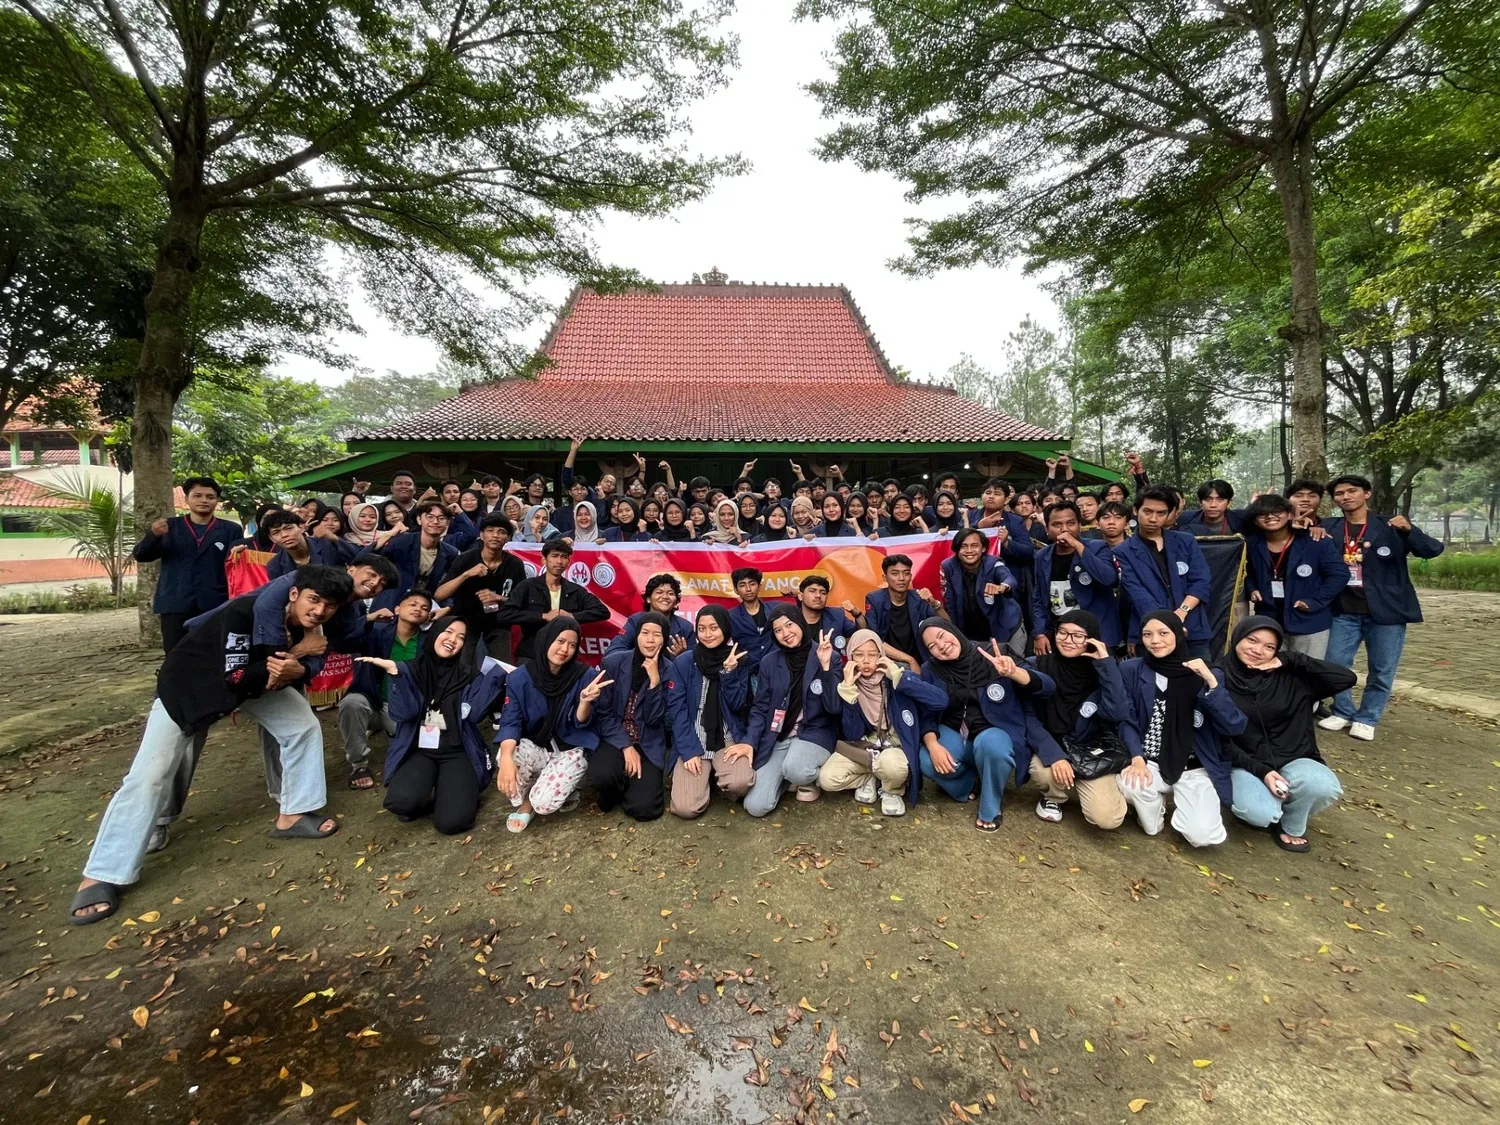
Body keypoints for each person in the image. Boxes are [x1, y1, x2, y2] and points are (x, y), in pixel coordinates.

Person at [69, 565, 350, 925]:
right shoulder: (243, 613)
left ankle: (293, 813)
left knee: (302, 727)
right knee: (151, 774)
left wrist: (300, 661)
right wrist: (297, 654)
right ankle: (103, 873)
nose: (319, 611)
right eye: (314, 600)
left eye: (329, 606)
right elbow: (234, 676)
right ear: (294, 594)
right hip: (190, 689)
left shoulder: (312, 625)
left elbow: (307, 665)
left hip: (250, 686)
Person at [1317, 474, 1444, 741]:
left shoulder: (1390, 526)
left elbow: (1432, 549)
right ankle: (1342, 711)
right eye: (1339, 494)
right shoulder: (1329, 526)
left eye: (1352, 491)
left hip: (1386, 610)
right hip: (1343, 609)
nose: (1346, 497)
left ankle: (1368, 717)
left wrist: (1410, 530)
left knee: (1382, 668)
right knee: (1335, 663)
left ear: (1367, 494)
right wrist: (1308, 525)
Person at [1217, 617, 1355, 851]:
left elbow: (1346, 678)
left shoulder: (1292, 676)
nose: (1258, 650)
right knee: (1258, 813)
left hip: (1295, 757)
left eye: (1269, 647)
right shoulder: (1218, 676)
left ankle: (1291, 823)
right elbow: (1217, 739)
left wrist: (1293, 659)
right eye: (1252, 640)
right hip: (1246, 763)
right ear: (1238, 637)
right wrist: (1262, 771)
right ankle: (1271, 806)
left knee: (1322, 786)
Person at [360, 618, 505, 834]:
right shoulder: (410, 669)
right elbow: (403, 713)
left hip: (458, 750)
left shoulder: (468, 674)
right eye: (448, 632)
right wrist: (395, 674)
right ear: (435, 632)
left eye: (461, 637)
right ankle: (431, 786)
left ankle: (454, 790)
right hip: (420, 750)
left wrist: (497, 677)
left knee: (452, 822)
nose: (453, 640)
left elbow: (474, 714)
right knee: (401, 803)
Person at [1117, 611, 1245, 847]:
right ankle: (1156, 811)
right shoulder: (1132, 670)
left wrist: (1211, 683)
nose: (1155, 641)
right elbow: (1127, 718)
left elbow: (1234, 725)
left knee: (1202, 836)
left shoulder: (1204, 672)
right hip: (1151, 760)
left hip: (1193, 765)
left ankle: (1187, 806)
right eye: (1147, 634)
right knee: (1129, 785)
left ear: (1179, 634)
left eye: (1163, 633)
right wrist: (1136, 757)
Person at [916, 619, 1054, 831]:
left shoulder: (994, 652)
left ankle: (991, 806)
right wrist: (933, 745)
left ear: (954, 630)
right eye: (932, 646)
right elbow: (926, 713)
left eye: (942, 636)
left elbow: (1047, 687)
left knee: (991, 745)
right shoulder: (931, 669)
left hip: (994, 733)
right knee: (926, 759)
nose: (941, 645)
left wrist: (1014, 672)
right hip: (956, 732)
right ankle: (970, 783)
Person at [495, 615, 603, 831]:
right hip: (538, 744)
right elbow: (510, 720)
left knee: (544, 804)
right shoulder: (520, 678)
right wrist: (506, 758)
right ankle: (528, 799)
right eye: (560, 641)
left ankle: (552, 792)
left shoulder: (584, 675)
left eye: (572, 645)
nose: (565, 649)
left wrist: (584, 702)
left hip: (570, 748)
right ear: (547, 639)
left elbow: (583, 723)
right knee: (506, 756)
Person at [1024, 610, 1131, 828]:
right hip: (1053, 745)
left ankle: (1101, 784)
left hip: (1090, 749)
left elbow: (1118, 713)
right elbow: (1028, 716)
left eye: (1078, 635)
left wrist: (1106, 663)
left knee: (1108, 819)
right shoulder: (1039, 665)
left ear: (1091, 639)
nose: (1068, 640)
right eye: (1063, 632)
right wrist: (1055, 756)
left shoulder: (1103, 671)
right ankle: (1054, 797)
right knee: (1042, 771)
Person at [818, 629, 941, 816]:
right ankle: (871, 778)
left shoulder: (896, 676)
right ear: (850, 657)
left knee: (894, 766)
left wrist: (901, 678)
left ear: (881, 656)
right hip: (866, 749)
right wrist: (849, 693)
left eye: (872, 654)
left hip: (894, 748)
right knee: (828, 779)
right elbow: (852, 734)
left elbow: (940, 701)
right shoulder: (849, 683)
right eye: (858, 655)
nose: (866, 661)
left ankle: (891, 790)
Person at [742, 605, 845, 814]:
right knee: (755, 806)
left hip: (814, 733)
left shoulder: (827, 655)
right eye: (778, 630)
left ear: (800, 622)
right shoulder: (769, 662)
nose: (786, 633)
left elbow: (834, 708)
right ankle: (785, 779)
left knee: (797, 769)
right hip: (779, 735)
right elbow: (760, 708)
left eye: (789, 625)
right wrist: (749, 742)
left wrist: (825, 668)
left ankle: (805, 778)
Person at [132, 476, 243, 653]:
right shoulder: (169, 527)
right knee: (175, 655)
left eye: (210, 497)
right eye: (197, 495)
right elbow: (141, 555)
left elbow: (237, 567)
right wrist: (152, 535)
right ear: (186, 499)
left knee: (214, 654)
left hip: (215, 602)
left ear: (217, 501)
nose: (204, 500)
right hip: (175, 601)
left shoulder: (231, 530)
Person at [667, 606, 755, 818]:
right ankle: (702, 779)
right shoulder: (684, 662)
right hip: (694, 738)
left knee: (740, 782)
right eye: (702, 628)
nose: (707, 634)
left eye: (714, 628)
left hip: (727, 738)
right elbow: (677, 711)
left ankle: (719, 776)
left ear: (725, 628)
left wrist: (729, 673)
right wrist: (688, 752)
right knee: (685, 809)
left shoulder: (739, 661)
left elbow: (738, 705)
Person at [340, 587, 432, 790]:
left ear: (427, 617)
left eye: (424, 608)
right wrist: (369, 618)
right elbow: (343, 642)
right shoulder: (377, 632)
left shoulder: (428, 642)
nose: (418, 609)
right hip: (372, 701)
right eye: (413, 604)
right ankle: (358, 765)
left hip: (404, 709)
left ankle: (393, 733)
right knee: (351, 703)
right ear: (397, 609)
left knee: (418, 752)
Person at [586, 611, 671, 821]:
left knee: (645, 809)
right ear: (637, 635)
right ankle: (615, 781)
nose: (650, 640)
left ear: (665, 638)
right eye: (645, 633)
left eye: (657, 635)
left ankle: (627, 783)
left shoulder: (670, 670)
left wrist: (654, 683)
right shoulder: (614, 663)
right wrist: (626, 747)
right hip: (616, 736)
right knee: (600, 775)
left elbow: (656, 720)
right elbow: (604, 714)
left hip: (648, 741)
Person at [1113, 486, 1214, 660]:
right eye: (1148, 511)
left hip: (1192, 626)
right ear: (1136, 510)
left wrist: (1181, 612)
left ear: (1170, 514)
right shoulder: (1122, 551)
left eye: (1161, 513)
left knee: (1202, 680)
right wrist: (1168, 625)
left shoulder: (1186, 541)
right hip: (1152, 631)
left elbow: (1201, 581)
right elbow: (1137, 593)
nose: (1153, 518)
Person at [1241, 495, 1347, 660]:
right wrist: (1252, 588)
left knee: (1307, 673)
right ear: (1255, 521)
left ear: (1289, 514)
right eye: (1263, 514)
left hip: (1308, 620)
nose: (1270, 517)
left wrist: (1315, 601)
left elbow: (1339, 575)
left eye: (1277, 512)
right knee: (1273, 672)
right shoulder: (1252, 544)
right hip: (1270, 619)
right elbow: (1246, 573)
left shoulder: (1316, 541)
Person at [495, 539, 609, 660]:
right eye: (554, 556)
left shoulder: (575, 590)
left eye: (564, 557)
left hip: (563, 655)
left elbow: (603, 611)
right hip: (532, 652)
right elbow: (504, 615)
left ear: (569, 561)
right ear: (544, 560)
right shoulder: (527, 586)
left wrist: (572, 617)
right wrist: (543, 616)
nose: (559, 561)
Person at [1030, 501, 1121, 652]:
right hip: (1062, 635)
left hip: (1097, 633)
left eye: (1071, 523)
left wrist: (1077, 546)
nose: (1065, 529)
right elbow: (1039, 598)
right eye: (1057, 524)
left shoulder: (1097, 547)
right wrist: (1040, 633)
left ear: (1080, 525)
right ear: (1047, 528)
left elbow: (1109, 579)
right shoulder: (1042, 556)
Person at [435, 514, 527, 661]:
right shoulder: (466, 558)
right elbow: (439, 594)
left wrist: (498, 598)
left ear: (508, 538)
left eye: (501, 532)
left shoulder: (515, 564)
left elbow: (522, 601)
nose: (495, 535)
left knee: (500, 667)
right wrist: (466, 575)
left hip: (499, 622)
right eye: (490, 530)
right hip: (465, 620)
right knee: (463, 665)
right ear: (481, 535)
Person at [940, 528, 1023, 654]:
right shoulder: (948, 566)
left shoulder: (993, 562)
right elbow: (950, 602)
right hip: (971, 631)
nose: (969, 551)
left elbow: (1009, 579)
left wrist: (1002, 587)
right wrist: (957, 634)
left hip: (1005, 625)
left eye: (974, 546)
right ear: (957, 549)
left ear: (983, 548)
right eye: (963, 546)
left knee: (1013, 665)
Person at [859, 554, 939, 670]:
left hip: (923, 660)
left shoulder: (918, 597)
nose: (901, 578)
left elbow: (947, 627)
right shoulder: (875, 599)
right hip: (888, 662)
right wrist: (909, 660)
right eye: (895, 573)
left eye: (906, 573)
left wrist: (934, 603)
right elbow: (874, 639)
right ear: (885, 577)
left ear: (910, 576)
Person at [377, 500, 460, 611]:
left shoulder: (451, 552)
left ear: (447, 523)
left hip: (423, 608)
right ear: (419, 519)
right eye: (430, 517)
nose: (435, 522)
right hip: (390, 604)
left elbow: (448, 585)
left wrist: (447, 606)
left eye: (441, 518)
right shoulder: (402, 541)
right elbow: (375, 563)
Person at [604, 574, 695, 657]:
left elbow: (694, 663)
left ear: (676, 601)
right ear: (648, 599)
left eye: (670, 593)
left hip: (671, 673)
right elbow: (613, 652)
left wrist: (681, 657)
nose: (665, 597)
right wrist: (639, 656)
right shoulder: (636, 621)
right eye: (659, 592)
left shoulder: (685, 627)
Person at [262, 508, 342, 577]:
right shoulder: (275, 566)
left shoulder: (327, 545)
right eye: (276, 532)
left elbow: (353, 556)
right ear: (271, 538)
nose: (284, 535)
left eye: (289, 528)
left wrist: (335, 539)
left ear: (301, 527)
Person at [728, 567, 777, 674]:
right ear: (736, 590)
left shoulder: (775, 610)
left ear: (759, 586)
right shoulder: (731, 616)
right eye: (742, 585)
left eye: (752, 583)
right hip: (749, 672)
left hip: (776, 669)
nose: (748, 589)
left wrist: (796, 595)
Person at [796, 575, 856, 650]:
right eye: (812, 591)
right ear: (801, 596)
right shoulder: (790, 619)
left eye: (823, 593)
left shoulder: (836, 615)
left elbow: (861, 634)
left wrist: (857, 614)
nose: (818, 595)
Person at [1179, 479, 1246, 536]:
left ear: (1229, 503)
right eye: (1208, 499)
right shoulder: (1185, 519)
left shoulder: (1240, 520)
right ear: (1200, 502)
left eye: (1220, 499)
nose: (1213, 505)